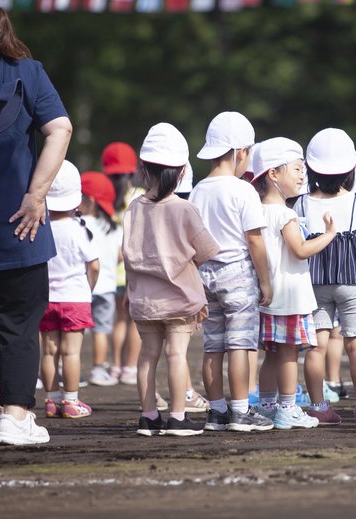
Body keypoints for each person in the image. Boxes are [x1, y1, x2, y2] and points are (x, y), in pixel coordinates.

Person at [0, 1, 72, 446]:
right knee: (18, 327)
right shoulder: (26, 69)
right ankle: (16, 417)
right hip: (18, 226)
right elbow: (60, 128)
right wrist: (36, 196)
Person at [123, 123, 220, 437]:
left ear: (144, 169)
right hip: (179, 297)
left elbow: (127, 253)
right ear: (181, 173)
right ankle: (177, 417)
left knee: (147, 355)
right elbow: (206, 251)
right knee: (176, 354)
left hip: (143, 299)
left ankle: (149, 416)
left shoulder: (133, 209)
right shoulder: (184, 209)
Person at [188, 111, 274, 433]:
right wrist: (265, 280)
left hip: (205, 273)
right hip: (237, 273)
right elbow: (255, 240)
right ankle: (240, 411)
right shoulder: (244, 191)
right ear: (240, 152)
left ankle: (217, 412)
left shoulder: (198, 190)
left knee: (213, 345)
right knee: (240, 344)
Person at [296, 128, 356, 426]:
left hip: (315, 283)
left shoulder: (303, 203)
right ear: (350, 170)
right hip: (351, 283)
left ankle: (319, 406)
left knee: (316, 346)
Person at [252, 137, 335, 430]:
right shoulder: (286, 214)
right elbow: (300, 250)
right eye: (297, 169)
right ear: (273, 174)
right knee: (288, 354)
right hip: (290, 297)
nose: (303, 175)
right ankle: (288, 407)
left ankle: (267, 406)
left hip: (269, 296)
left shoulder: (256, 210)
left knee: (272, 356)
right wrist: (328, 235)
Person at [39, 161, 99, 420]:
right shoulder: (79, 230)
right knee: (71, 352)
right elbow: (93, 265)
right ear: (77, 201)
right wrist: (89, 288)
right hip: (75, 298)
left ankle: (51, 401)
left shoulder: (41, 228)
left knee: (49, 352)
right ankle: (71, 401)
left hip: (46, 299)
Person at [101, 141, 144, 387]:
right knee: (135, 322)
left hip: (111, 272)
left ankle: (115, 366)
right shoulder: (138, 196)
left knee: (118, 319)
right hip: (133, 269)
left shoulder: (104, 198)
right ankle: (130, 368)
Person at [80, 171, 123, 387]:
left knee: (75, 332)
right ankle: (98, 369)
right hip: (106, 287)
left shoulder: (78, 224)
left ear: (86, 199)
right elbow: (120, 255)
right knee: (101, 331)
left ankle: (71, 370)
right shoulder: (112, 226)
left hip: (82, 288)